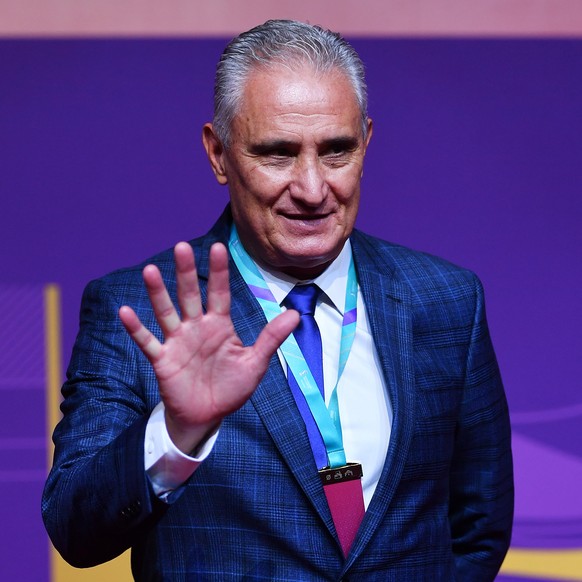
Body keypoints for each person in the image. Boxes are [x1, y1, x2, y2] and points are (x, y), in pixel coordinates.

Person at [42, 19, 513, 581]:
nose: (313, 189)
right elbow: (75, 528)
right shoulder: (138, 309)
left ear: (366, 140)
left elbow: (477, 530)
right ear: (218, 154)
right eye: (277, 154)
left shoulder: (447, 301)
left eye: (336, 151)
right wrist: (175, 434)